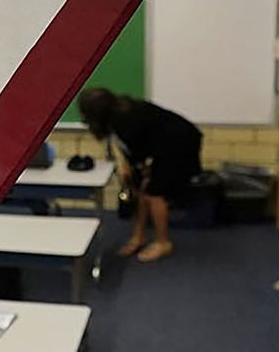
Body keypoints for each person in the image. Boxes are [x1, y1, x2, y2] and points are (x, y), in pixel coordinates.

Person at [76, 87, 203, 263]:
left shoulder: (128, 122)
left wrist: (142, 175)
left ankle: (163, 242)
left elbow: (143, 153)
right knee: (138, 189)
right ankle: (138, 237)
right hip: (159, 145)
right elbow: (130, 150)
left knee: (154, 193)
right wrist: (129, 172)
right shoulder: (117, 116)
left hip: (180, 144)